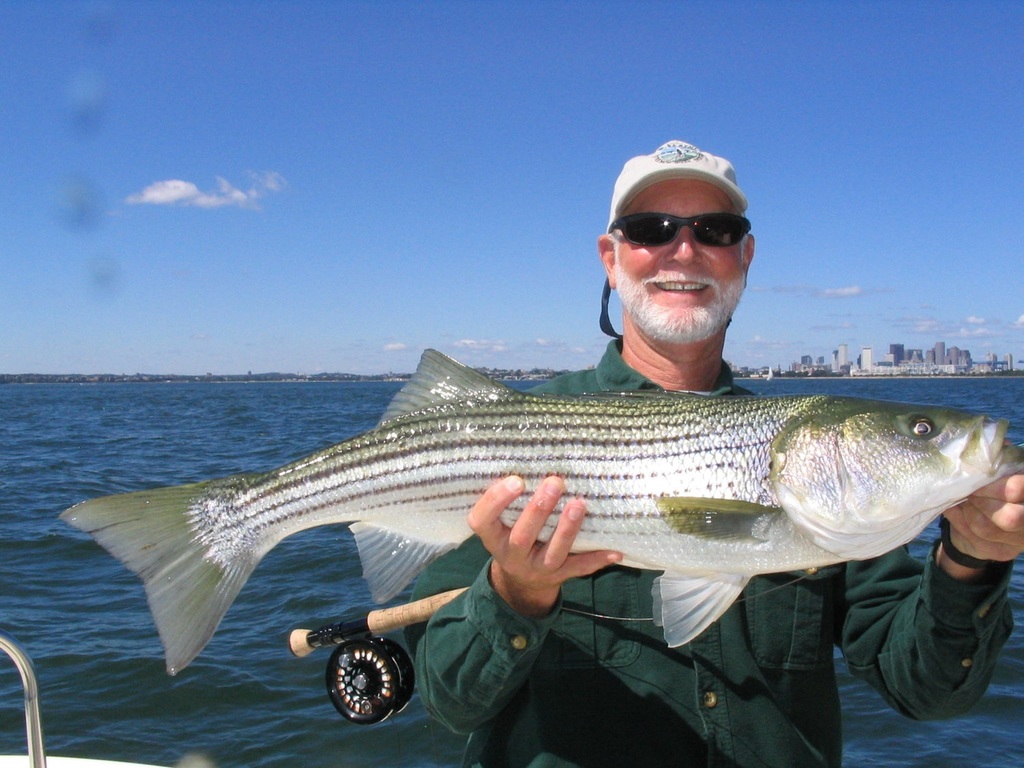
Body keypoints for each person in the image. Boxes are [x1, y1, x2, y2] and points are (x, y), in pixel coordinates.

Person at [405, 140, 1024, 767]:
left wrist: (970, 560)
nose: (683, 250)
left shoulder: (851, 511)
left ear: (744, 257)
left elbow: (926, 691)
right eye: (650, 230)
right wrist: (516, 592)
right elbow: (448, 699)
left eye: (715, 230)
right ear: (611, 258)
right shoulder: (497, 442)